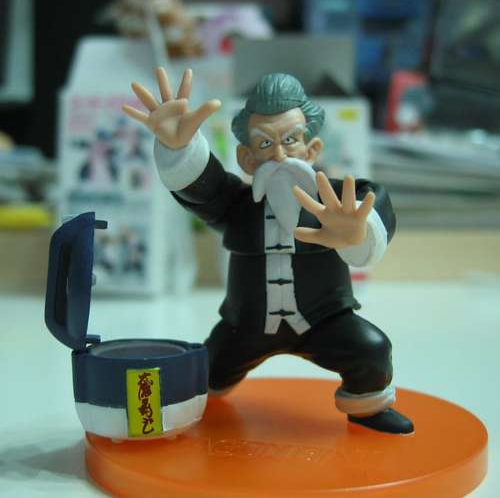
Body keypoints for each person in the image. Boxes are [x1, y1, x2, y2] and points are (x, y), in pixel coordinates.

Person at [123, 68, 414, 434]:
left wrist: (358, 229)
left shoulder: (333, 202)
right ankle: (187, 406)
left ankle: (367, 408)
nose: (278, 154)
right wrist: (179, 149)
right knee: (202, 375)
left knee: (371, 350)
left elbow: (370, 201)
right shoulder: (235, 205)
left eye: (290, 140)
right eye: (264, 144)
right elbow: (203, 187)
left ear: (312, 149)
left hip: (324, 320)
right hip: (245, 326)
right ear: (246, 158)